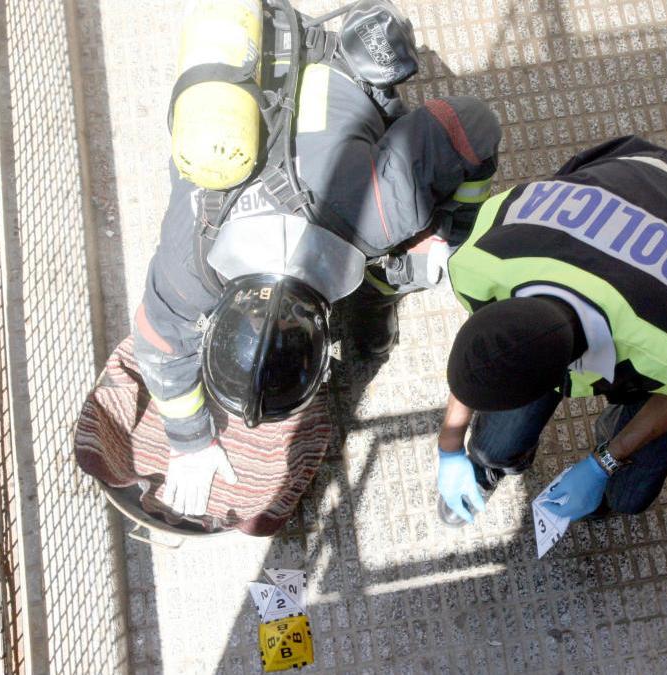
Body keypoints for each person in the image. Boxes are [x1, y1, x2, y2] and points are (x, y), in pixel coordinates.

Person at [135, 1, 500, 517]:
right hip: (264, 68)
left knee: (409, 270)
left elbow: (472, 124)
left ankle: (379, 317)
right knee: (396, 267)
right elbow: (155, 346)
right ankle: (373, 330)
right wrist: (190, 441)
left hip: (325, 64)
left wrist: (449, 231)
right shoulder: (188, 262)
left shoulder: (380, 209)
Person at [434, 135, 667, 526]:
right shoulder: (480, 261)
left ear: (566, 376)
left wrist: (605, 462)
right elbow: (483, 353)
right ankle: (498, 462)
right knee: (495, 446)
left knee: (629, 495)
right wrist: (449, 446)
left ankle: (606, 481)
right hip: (617, 174)